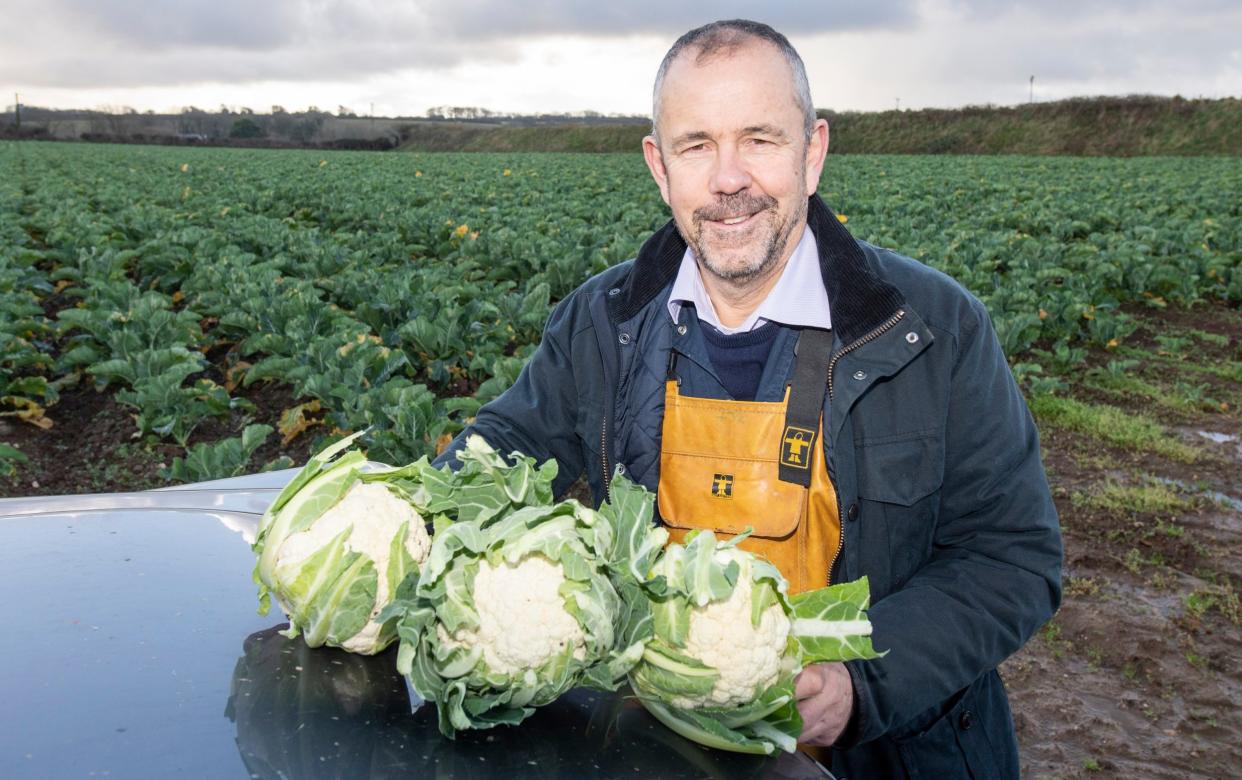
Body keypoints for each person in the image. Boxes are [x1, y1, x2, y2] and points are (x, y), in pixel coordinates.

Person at [435, 19, 1062, 777]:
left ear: (813, 152)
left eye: (760, 139)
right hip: (662, 751)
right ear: (660, 167)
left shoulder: (933, 329)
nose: (729, 178)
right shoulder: (601, 324)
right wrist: (404, 517)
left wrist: (860, 684)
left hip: (898, 757)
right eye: (696, 145)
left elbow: (1012, 558)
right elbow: (499, 449)